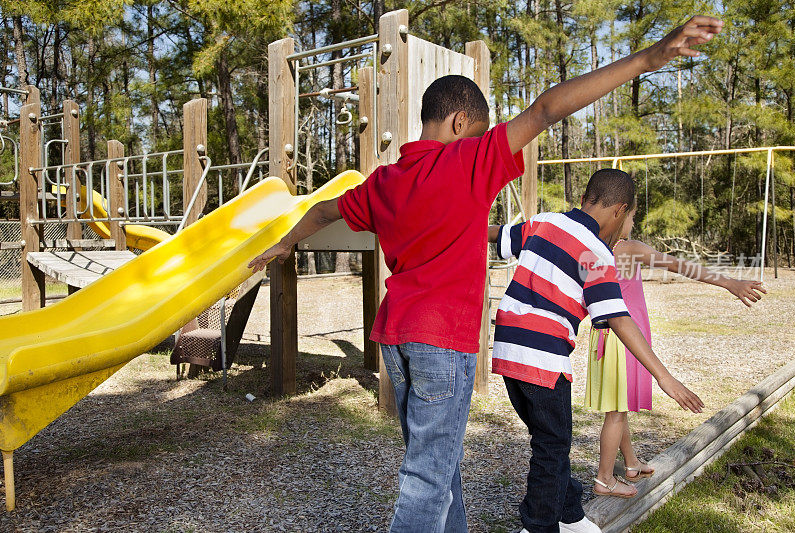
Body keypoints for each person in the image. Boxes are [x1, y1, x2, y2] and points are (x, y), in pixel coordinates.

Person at [248, 15, 724, 533]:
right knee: (426, 480)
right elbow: (546, 109)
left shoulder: (383, 181)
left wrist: (281, 244)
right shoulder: (465, 163)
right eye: (475, 133)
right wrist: (650, 58)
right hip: (441, 342)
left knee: (440, 465)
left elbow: (322, 212)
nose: (479, 141)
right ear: (459, 124)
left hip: (395, 340)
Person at [488, 170, 705, 533]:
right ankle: (538, 526)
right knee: (551, 447)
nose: (627, 226)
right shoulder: (596, 255)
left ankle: (570, 514)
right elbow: (618, 318)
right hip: (543, 358)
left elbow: (497, 236)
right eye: (631, 217)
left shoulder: (546, 221)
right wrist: (665, 377)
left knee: (551, 438)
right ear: (620, 210)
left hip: (508, 348)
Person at [586, 203, 765, 499]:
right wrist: (729, 282)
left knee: (618, 406)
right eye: (632, 217)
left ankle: (631, 464)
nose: (633, 223)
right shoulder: (629, 248)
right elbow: (681, 266)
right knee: (616, 413)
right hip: (624, 340)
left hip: (603, 337)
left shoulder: (591, 250)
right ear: (621, 216)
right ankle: (604, 480)